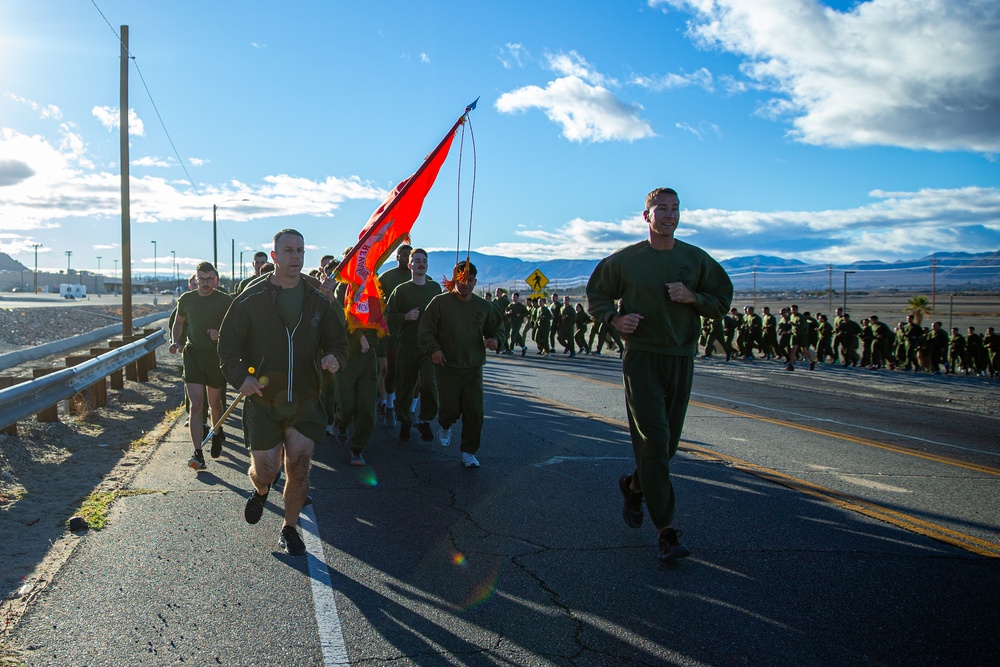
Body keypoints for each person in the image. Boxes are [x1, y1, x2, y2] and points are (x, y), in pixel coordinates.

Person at [587, 187, 733, 563]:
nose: (669, 215)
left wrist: (693, 298)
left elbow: (721, 300)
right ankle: (666, 531)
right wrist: (615, 319)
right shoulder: (626, 261)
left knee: (666, 448)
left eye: (674, 209)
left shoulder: (695, 260)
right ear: (646, 216)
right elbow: (597, 295)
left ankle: (634, 486)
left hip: (681, 358)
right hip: (642, 359)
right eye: (661, 209)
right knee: (654, 440)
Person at [218, 229, 348, 556]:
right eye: (288, 251)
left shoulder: (317, 299)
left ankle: (289, 528)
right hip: (263, 400)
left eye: (300, 251)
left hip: (305, 400)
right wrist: (240, 378)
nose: (295, 257)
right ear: (274, 256)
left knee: (300, 465)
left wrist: (335, 357)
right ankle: (261, 491)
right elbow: (228, 347)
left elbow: (338, 341)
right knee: (266, 470)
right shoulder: (250, 299)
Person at [418, 260, 504, 468]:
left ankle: (468, 451)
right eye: (461, 280)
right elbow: (425, 330)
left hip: (473, 367)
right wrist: (434, 349)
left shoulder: (484, 306)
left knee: (474, 412)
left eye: (470, 281)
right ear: (454, 280)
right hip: (447, 367)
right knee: (450, 409)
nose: (465, 284)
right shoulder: (440, 303)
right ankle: (445, 425)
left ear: (476, 282)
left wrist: (495, 341)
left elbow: (497, 329)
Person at [169, 262, 232, 470]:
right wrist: (176, 342)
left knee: (215, 404)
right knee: (196, 405)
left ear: (216, 279)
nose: (205, 283)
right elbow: (178, 322)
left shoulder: (224, 300)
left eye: (209, 279)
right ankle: (198, 453)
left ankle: (215, 433)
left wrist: (221, 335)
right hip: (193, 354)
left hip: (214, 357)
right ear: (195, 280)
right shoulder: (186, 299)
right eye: (201, 279)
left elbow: (236, 328)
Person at [385, 248, 442, 442]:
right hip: (406, 345)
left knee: (428, 384)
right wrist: (405, 317)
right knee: (405, 386)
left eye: (424, 260)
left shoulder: (435, 289)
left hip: (428, 347)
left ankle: (425, 420)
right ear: (410, 265)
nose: (421, 264)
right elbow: (388, 318)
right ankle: (405, 421)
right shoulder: (401, 291)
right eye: (417, 260)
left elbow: (442, 317)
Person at [377, 244, 413, 428]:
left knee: (416, 375)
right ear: (397, 256)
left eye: (410, 256)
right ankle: (388, 405)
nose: (407, 258)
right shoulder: (387, 277)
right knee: (390, 370)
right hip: (391, 331)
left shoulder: (422, 280)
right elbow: (376, 300)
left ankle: (410, 410)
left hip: (414, 334)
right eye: (403, 255)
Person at [506, 292, 529, 356]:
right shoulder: (510, 305)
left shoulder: (521, 306)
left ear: (518, 298)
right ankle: (524, 347)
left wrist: (520, 315)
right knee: (517, 335)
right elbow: (505, 312)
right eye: (513, 297)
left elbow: (527, 313)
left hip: (518, 322)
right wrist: (508, 312)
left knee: (513, 335)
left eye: (515, 297)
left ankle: (511, 349)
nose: (514, 298)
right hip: (512, 322)